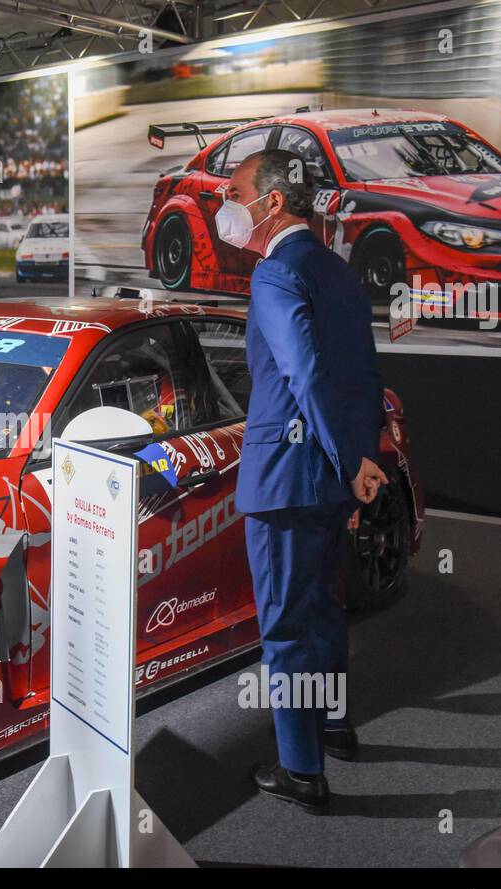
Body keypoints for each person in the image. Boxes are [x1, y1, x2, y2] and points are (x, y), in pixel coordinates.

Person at [218, 149, 387, 814]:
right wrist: (361, 456)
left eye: (234, 191)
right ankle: (334, 724)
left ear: (273, 202)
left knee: (287, 627)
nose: (224, 204)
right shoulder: (339, 274)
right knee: (323, 609)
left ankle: (301, 768)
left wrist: (348, 458)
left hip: (287, 477)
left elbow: (302, 374)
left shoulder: (274, 273)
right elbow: (366, 377)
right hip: (330, 475)